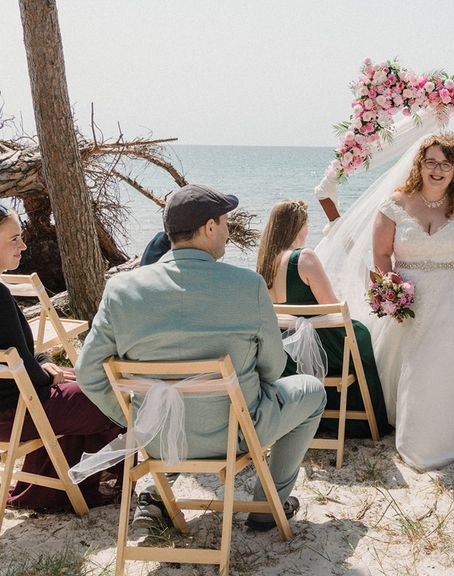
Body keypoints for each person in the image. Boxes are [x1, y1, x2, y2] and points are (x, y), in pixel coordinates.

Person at [76, 184, 325, 532]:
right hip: (233, 434)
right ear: (209, 227)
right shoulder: (247, 286)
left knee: (174, 399)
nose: (227, 231)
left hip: (159, 437)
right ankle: (268, 507)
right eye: (225, 222)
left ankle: (153, 496)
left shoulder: (121, 291)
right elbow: (273, 367)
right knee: (312, 390)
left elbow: (87, 373)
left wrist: (141, 418)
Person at [0, 204, 123, 511]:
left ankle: (49, 487)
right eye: (14, 239)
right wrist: (50, 375)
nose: (24, 245)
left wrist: (43, 363)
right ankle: (106, 480)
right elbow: (25, 370)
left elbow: (12, 354)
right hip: (12, 415)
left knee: (81, 387)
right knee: (111, 394)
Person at [371, 132, 454, 470]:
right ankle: (405, 423)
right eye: (431, 162)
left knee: (447, 364)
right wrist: (392, 291)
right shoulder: (395, 204)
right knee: (413, 365)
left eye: (445, 164)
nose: (437, 170)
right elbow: (382, 255)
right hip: (409, 302)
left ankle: (449, 430)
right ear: (420, 165)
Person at [255, 199, 390, 438]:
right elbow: (332, 310)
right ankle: (368, 420)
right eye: (306, 224)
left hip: (284, 350)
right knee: (361, 335)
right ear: (298, 226)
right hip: (321, 344)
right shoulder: (303, 258)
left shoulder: (265, 262)